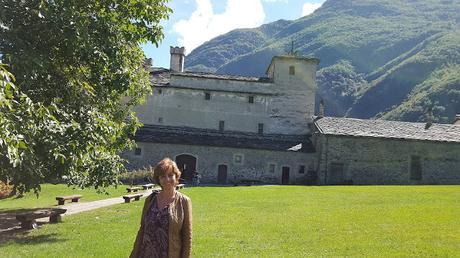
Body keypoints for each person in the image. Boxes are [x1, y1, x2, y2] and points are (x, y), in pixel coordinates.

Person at [130, 158, 192, 258]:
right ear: (158, 179)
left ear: (176, 177)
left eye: (170, 175)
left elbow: (187, 236)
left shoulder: (184, 202)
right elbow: (142, 229)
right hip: (146, 254)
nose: (167, 179)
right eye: (163, 176)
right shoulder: (150, 200)